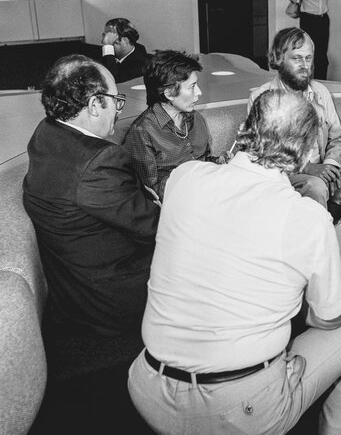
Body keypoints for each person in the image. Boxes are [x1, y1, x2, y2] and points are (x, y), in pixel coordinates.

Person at [128, 89, 341, 435]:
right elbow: (329, 319)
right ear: (308, 151)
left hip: (144, 386)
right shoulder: (307, 218)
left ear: (244, 128)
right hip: (237, 411)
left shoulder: (183, 178)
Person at [23, 55, 160, 336]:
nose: (119, 110)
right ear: (96, 104)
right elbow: (156, 227)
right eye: (115, 100)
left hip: (73, 291)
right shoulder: (98, 161)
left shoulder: (47, 132)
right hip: (112, 299)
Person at [248, 27, 341, 222]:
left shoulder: (321, 92)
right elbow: (265, 153)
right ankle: (321, 241)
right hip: (285, 176)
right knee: (316, 186)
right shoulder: (260, 98)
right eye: (297, 58)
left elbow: (338, 138)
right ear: (278, 59)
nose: (304, 65)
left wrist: (329, 166)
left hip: (324, 170)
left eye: (308, 58)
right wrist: (308, 169)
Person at [123, 50, 230, 201]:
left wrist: (218, 163)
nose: (198, 93)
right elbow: (149, 192)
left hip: (207, 195)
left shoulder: (196, 118)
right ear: (169, 93)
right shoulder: (142, 132)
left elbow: (203, 160)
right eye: (192, 87)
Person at [101, 17, 148, 83]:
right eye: (105, 36)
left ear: (125, 41)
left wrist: (109, 45)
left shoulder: (139, 63)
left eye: (110, 39)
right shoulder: (110, 55)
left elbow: (112, 82)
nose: (103, 41)